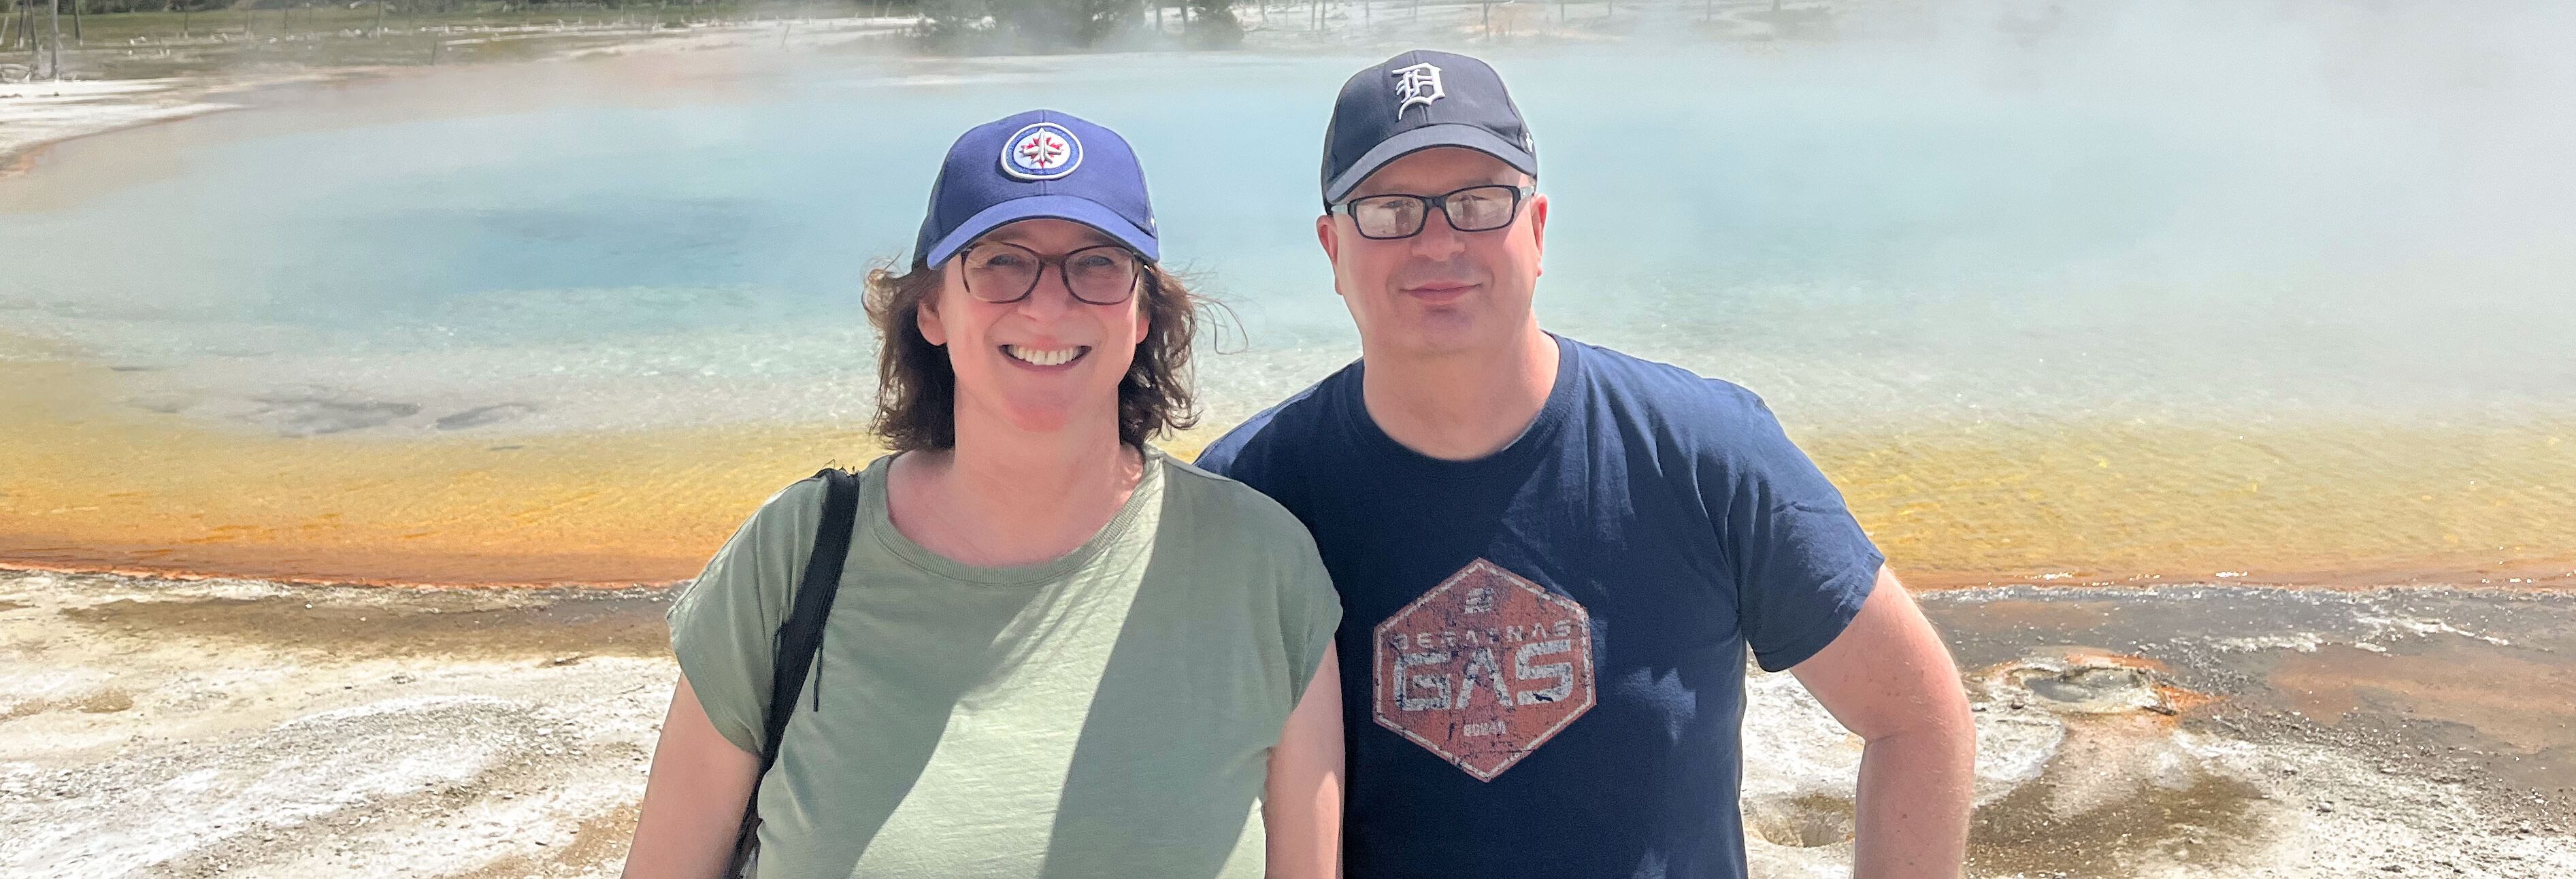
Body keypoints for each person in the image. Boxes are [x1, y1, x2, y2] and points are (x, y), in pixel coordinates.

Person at [1198, 52, 1975, 878]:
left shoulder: (1705, 452)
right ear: (1332, 249)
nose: (1437, 243)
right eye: (1390, 211)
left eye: (1476, 203)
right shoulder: (1254, 492)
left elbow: (1917, 718)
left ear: (1535, 232)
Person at [623, 110, 1344, 879]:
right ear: (932, 308)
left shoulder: (1260, 566)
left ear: (1141, 312)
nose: (1047, 306)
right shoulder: (795, 554)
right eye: (1002, 262)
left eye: (1096, 264)